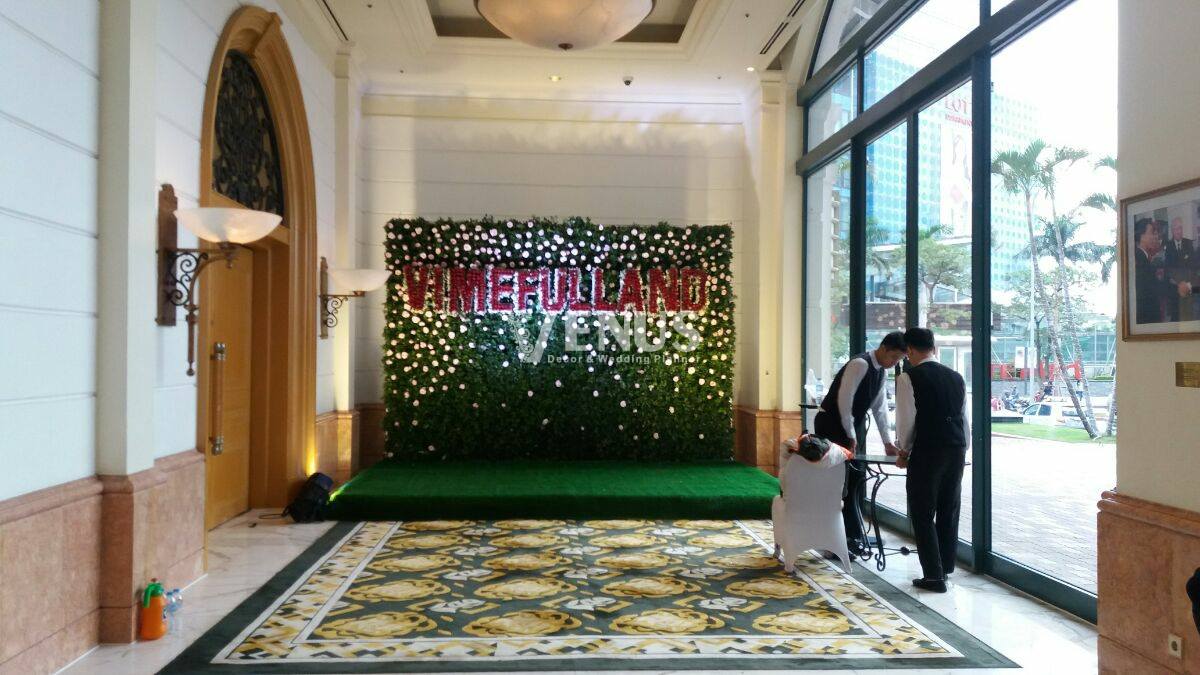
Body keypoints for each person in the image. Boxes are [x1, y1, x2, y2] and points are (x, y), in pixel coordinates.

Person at [813, 332, 907, 552]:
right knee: (838, 481)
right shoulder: (860, 364)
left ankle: (851, 535)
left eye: (898, 360)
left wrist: (887, 442)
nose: (894, 363)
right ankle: (837, 536)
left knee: (853, 478)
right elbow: (844, 402)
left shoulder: (881, 372)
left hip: (848, 427)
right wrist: (851, 436)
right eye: (894, 357)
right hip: (831, 423)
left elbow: (880, 409)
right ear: (884, 348)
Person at [894, 327, 969, 593]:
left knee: (922, 511)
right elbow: (964, 417)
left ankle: (933, 576)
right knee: (949, 508)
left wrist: (904, 451)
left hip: (929, 449)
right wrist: (964, 448)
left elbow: (907, 420)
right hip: (957, 447)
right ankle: (945, 567)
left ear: (910, 350)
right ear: (934, 348)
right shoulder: (956, 377)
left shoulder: (908, 378)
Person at [1133, 217, 1175, 324]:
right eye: (1152, 233)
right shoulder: (1139, 260)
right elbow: (1147, 294)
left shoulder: (1143, 258)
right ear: (1141, 236)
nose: (1155, 237)